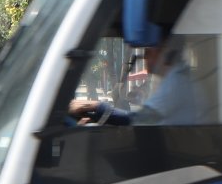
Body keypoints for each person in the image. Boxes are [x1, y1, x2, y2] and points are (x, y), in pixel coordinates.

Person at [69, 39, 204, 126]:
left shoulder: (176, 83)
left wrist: (94, 106)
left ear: (164, 52)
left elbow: (137, 120)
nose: (144, 57)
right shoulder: (178, 79)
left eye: (149, 52)